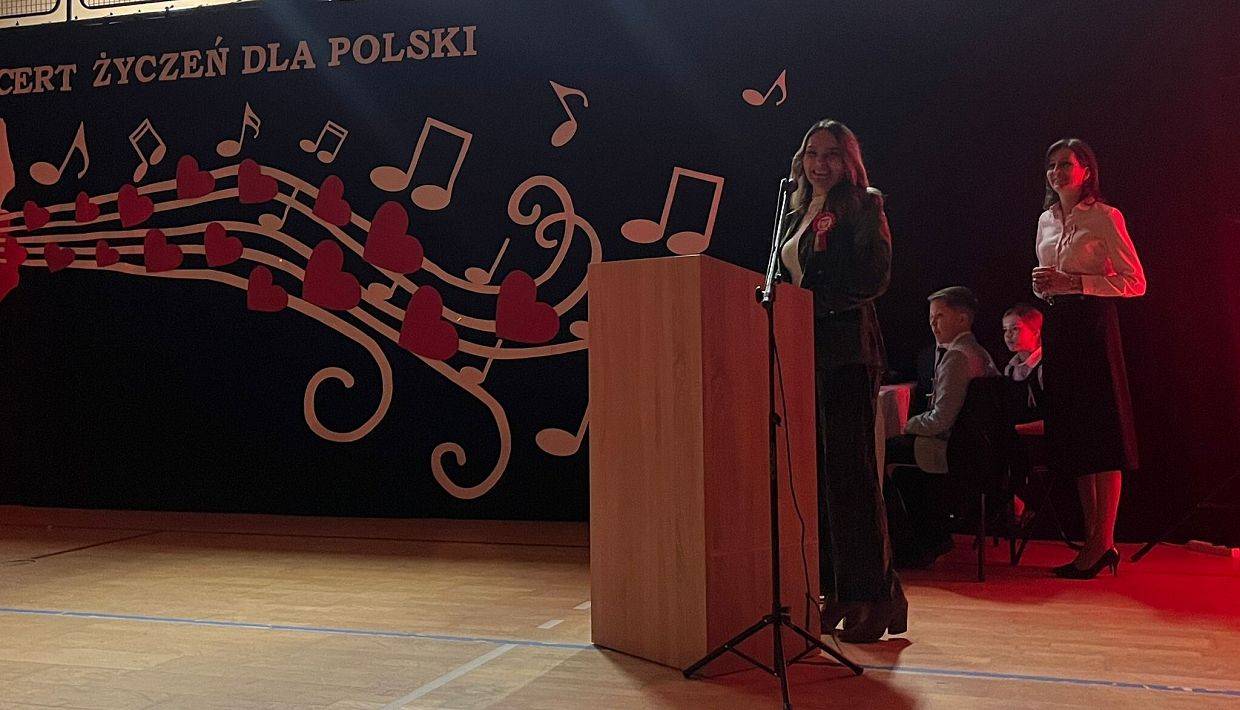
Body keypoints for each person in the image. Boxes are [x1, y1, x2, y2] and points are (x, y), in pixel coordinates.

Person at [780, 119, 903, 643]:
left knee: (852, 477)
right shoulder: (793, 212)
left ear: (848, 161)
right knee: (820, 480)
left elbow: (874, 277)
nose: (819, 164)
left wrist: (811, 307)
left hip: (847, 355)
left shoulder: (863, 204)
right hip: (802, 355)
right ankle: (838, 589)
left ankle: (875, 595)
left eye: (831, 154)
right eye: (812, 153)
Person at [1032, 138, 1146, 579]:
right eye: (1052, 165)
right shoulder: (1045, 219)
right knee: (1076, 435)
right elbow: (1049, 277)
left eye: (1066, 164)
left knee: (1104, 433)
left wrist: (1078, 283)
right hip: (1060, 325)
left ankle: (1103, 540)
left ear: (1086, 171)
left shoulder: (1105, 216)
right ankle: (1093, 541)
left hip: (1094, 325)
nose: (1057, 171)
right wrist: (1044, 287)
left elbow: (1136, 281)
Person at [885, 287, 999, 567]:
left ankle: (914, 545)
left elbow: (940, 420)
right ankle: (929, 536)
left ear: (962, 319)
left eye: (939, 317)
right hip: (976, 449)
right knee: (902, 468)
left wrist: (904, 425)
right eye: (931, 318)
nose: (933, 324)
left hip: (954, 450)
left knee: (883, 453)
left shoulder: (957, 357)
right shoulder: (980, 352)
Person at [1002, 304, 1045, 425]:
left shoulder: (1043, 367)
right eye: (1005, 329)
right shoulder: (1010, 369)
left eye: (1015, 328)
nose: (1008, 334)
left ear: (1036, 332)